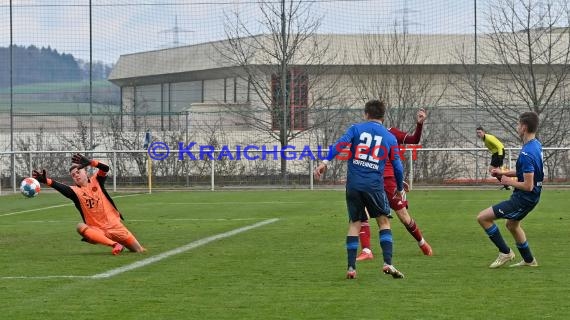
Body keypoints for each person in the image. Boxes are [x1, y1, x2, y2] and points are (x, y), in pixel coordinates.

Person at [314, 99, 406, 279]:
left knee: (354, 224)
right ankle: (387, 263)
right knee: (383, 222)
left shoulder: (356, 128)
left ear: (366, 114)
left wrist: (324, 162)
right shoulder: (389, 138)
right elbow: (397, 165)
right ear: (383, 115)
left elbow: (339, 145)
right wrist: (399, 185)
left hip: (354, 185)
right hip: (374, 186)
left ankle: (351, 268)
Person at [357, 108, 432, 261]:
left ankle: (422, 243)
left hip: (389, 181)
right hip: (372, 180)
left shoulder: (391, 132)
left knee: (404, 217)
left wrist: (419, 124)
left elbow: (414, 140)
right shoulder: (367, 135)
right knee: (361, 212)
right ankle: (366, 250)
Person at [32, 153, 146, 255]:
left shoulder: (97, 180)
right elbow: (60, 187)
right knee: (80, 227)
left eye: (78, 172)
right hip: (98, 231)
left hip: (115, 226)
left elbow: (105, 168)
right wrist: (46, 181)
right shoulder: (75, 192)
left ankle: (120, 243)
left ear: (85, 172)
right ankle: (114, 244)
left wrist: (91, 162)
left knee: (139, 250)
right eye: (73, 175)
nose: (76, 175)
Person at [476, 112, 543, 268]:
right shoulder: (535, 145)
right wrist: (503, 172)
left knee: (483, 218)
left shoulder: (527, 153)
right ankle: (529, 261)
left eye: (518, 124)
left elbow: (528, 185)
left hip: (524, 198)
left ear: (524, 127)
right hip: (530, 197)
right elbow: (526, 173)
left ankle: (505, 252)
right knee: (512, 225)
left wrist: (508, 182)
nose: (517, 127)